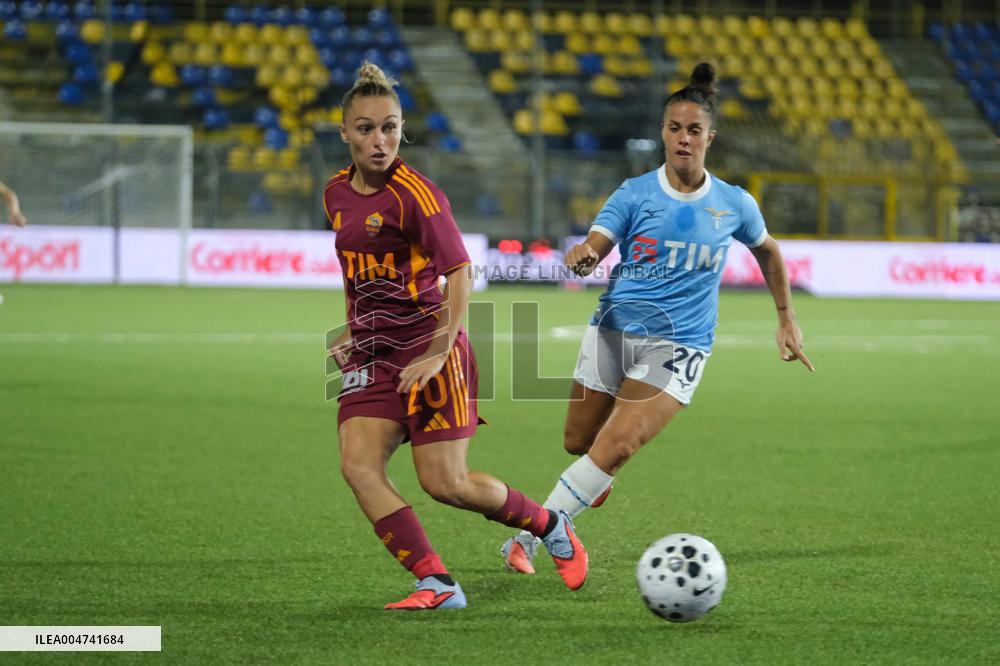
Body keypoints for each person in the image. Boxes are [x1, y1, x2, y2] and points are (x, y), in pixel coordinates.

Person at [501, 62, 814, 573]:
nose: (683, 138)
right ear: (662, 133)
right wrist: (585, 252)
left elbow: (770, 253)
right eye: (674, 128)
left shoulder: (734, 204)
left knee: (618, 444)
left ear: (711, 136)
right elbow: (599, 241)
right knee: (580, 444)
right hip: (613, 331)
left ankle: (535, 536)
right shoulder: (634, 193)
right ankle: (593, 480)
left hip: (681, 344)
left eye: (694, 130)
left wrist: (786, 317)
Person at [325, 63, 587, 610]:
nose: (380, 140)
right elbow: (357, 275)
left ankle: (549, 523)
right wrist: (350, 333)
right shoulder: (335, 194)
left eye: (391, 127)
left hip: (431, 345)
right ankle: (437, 585)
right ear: (344, 131)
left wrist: (440, 349)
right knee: (356, 467)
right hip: (373, 353)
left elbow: (461, 272)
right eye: (367, 128)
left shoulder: (416, 195)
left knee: (447, 484)